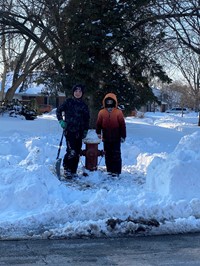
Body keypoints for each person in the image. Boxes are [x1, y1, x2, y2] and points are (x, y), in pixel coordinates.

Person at [56, 84, 90, 178]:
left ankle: (73, 170)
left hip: (79, 131)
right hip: (69, 130)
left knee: (77, 151)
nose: (77, 93)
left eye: (80, 91)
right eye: (76, 91)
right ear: (73, 92)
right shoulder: (68, 102)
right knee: (71, 151)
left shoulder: (84, 105)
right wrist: (61, 121)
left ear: (82, 93)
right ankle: (67, 169)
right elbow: (58, 111)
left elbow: (87, 119)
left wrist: (85, 130)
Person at [96, 93, 126, 177]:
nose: (109, 103)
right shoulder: (102, 112)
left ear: (114, 102)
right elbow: (98, 124)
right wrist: (98, 133)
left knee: (116, 154)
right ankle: (109, 169)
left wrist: (123, 136)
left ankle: (116, 171)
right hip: (106, 137)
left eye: (111, 101)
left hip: (116, 137)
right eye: (107, 101)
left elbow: (122, 125)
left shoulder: (118, 112)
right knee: (108, 154)